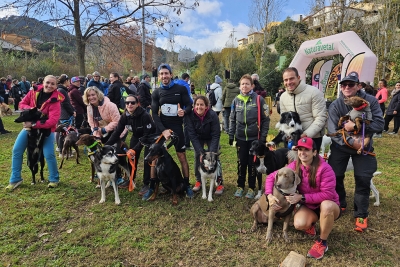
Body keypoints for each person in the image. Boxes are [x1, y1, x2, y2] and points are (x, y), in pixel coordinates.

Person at [265, 137, 340, 260]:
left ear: (314, 152)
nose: (302, 153)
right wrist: (269, 196)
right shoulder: (294, 166)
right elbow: (271, 177)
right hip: (309, 206)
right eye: (300, 149)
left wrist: (302, 197)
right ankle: (311, 224)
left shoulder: (325, 169)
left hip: (329, 206)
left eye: (307, 150)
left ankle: (322, 242)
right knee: (299, 224)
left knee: (326, 205)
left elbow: (328, 194)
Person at [327, 73, 384, 232]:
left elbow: (379, 124)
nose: (346, 87)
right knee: (335, 175)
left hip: (364, 148)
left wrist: (357, 128)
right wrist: (352, 141)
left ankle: (361, 213)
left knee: (363, 178)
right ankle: (340, 203)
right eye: (343, 85)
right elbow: (332, 129)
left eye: (350, 84)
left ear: (359, 86)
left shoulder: (370, 101)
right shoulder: (336, 105)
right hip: (341, 146)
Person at [144, 63, 194, 200]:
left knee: (182, 157)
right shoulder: (156, 93)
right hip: (162, 128)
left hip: (177, 127)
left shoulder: (181, 89)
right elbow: (154, 114)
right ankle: (152, 186)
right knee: (155, 157)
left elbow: (190, 105)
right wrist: (164, 130)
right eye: (162, 74)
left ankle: (187, 184)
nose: (164, 76)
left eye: (166, 73)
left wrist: (184, 111)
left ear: (171, 75)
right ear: (159, 76)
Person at [6, 75, 64, 190]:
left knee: (49, 154)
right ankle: (15, 179)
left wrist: (34, 124)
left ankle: (54, 178)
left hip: (46, 130)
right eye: (47, 83)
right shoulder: (33, 92)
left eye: (53, 84)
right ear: (43, 82)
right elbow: (22, 104)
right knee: (17, 149)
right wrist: (33, 110)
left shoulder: (56, 100)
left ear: (56, 86)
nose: (49, 86)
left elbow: (53, 121)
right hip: (29, 129)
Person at [229, 74, 270, 199]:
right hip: (240, 137)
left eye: (247, 83)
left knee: (252, 163)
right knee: (241, 163)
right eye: (242, 84)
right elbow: (232, 119)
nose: (244, 86)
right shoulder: (236, 100)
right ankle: (240, 186)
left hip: (254, 139)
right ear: (239, 86)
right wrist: (231, 135)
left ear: (252, 85)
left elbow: (266, 119)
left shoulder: (259, 99)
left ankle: (251, 187)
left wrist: (262, 138)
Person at [105, 94, 156, 193]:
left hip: (149, 137)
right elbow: (117, 132)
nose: (130, 105)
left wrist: (135, 149)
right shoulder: (125, 116)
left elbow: (146, 136)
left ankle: (146, 183)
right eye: (127, 103)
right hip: (136, 136)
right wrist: (106, 145)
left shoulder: (145, 115)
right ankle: (131, 180)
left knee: (147, 160)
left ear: (137, 104)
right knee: (131, 158)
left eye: (132, 102)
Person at [280, 67, 327, 151]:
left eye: (291, 79)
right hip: (291, 138)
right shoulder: (283, 97)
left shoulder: (314, 92)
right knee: (293, 164)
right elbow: (284, 120)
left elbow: (320, 118)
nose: (288, 82)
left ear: (298, 78)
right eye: (286, 80)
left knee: (310, 164)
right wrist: (286, 134)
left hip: (312, 137)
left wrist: (305, 134)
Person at [185, 96, 224, 195]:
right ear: (194, 106)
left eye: (201, 104)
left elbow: (216, 134)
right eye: (197, 104)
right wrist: (200, 151)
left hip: (211, 136)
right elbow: (192, 135)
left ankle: (219, 181)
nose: (199, 107)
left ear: (206, 106)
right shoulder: (190, 115)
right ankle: (199, 180)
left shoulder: (213, 115)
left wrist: (212, 152)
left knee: (214, 158)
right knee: (198, 156)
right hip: (198, 137)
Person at [56, 74, 76, 156]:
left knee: (65, 133)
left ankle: (65, 149)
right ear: (65, 81)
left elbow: (68, 102)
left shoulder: (63, 90)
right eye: (69, 81)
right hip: (63, 115)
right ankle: (62, 151)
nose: (70, 83)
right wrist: (72, 112)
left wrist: (73, 110)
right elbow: (64, 103)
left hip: (65, 114)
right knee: (63, 133)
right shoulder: (61, 90)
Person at [175, 73, 194, 150]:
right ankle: (186, 143)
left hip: (175, 108)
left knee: (176, 125)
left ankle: (176, 142)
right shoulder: (185, 85)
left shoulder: (175, 83)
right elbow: (189, 98)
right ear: (187, 78)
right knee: (186, 126)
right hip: (185, 109)